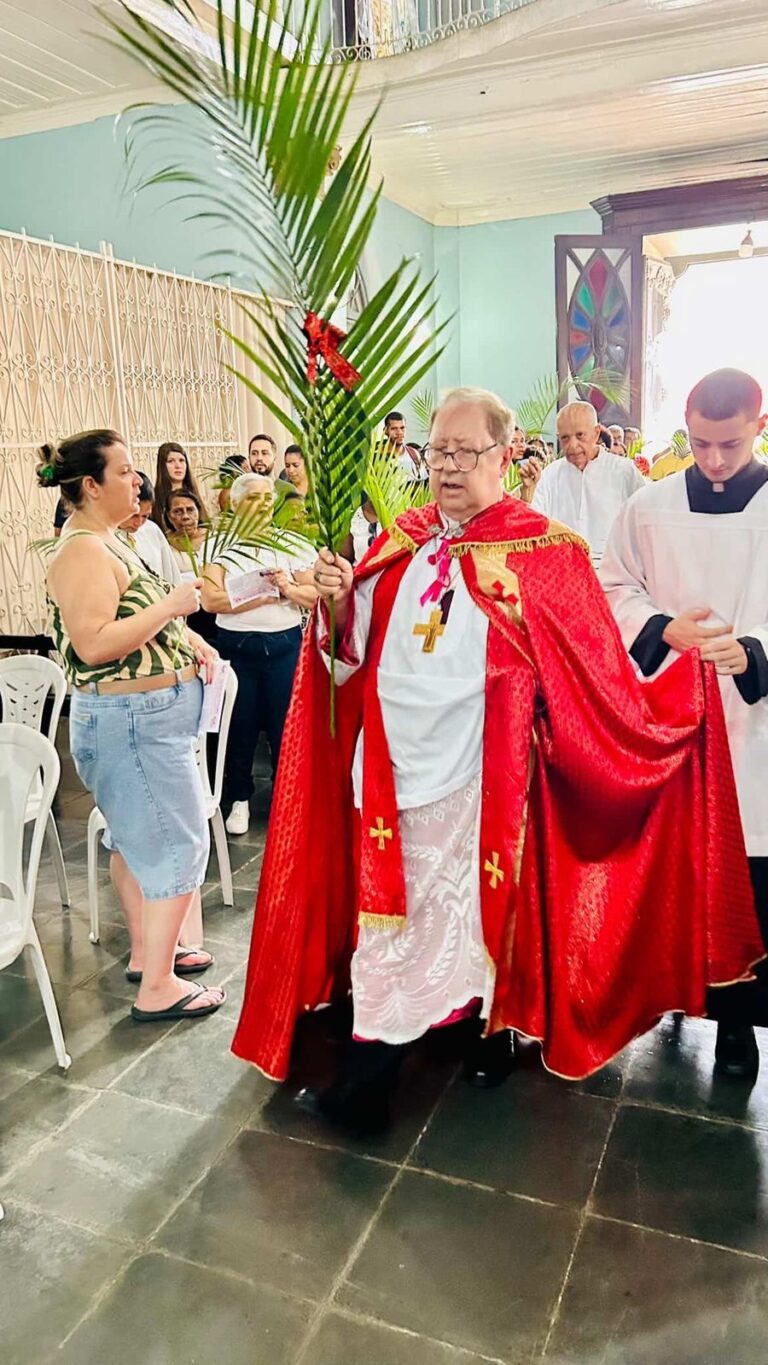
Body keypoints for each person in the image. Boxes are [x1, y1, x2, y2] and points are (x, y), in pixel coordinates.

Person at [231, 386, 761, 1133]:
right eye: (438, 450)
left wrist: (675, 686)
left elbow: (595, 676)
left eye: (465, 452)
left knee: (466, 917)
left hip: (484, 781)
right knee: (399, 919)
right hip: (386, 769)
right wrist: (341, 601)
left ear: (505, 457)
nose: (446, 467)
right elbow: (348, 653)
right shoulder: (401, 540)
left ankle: (397, 1068)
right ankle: (443, 1033)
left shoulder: (546, 553)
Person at [601, 368, 768, 1078]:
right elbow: (612, 584)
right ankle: (671, 996)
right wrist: (664, 628)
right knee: (673, 867)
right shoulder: (650, 506)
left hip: (755, 731)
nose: (715, 460)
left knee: (747, 880)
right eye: (701, 443)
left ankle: (737, 1023)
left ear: (759, 425)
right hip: (670, 719)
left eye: (729, 444)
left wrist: (756, 648)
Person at [39, 430, 225, 1022]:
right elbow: (93, 645)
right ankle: (159, 987)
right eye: (123, 472)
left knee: (136, 840)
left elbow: (133, 620)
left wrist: (185, 637)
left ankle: (152, 955)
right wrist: (173, 606)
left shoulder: (110, 541)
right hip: (132, 724)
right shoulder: (81, 552)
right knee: (179, 845)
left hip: (147, 721)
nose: (138, 481)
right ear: (90, 486)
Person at [200, 473, 317, 836]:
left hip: (283, 645)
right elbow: (210, 600)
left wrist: (286, 587)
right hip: (238, 648)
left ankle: (288, 801)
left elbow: (315, 593)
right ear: (235, 505)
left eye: (268, 499)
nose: (264, 505)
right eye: (254, 499)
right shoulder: (220, 547)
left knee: (286, 727)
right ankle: (239, 798)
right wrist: (261, 594)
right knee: (241, 727)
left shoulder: (290, 543)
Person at [529, 401, 646, 567]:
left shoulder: (624, 471)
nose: (573, 445)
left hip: (613, 572)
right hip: (564, 571)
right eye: (565, 438)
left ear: (596, 433)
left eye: (580, 435)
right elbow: (536, 523)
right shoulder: (550, 475)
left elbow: (644, 520)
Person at [164, 489, 217, 643]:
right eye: (178, 512)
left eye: (190, 510)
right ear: (168, 516)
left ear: (198, 513)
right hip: (187, 613)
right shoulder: (165, 544)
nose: (185, 516)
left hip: (215, 608)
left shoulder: (214, 538)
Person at [120, 473, 181, 585]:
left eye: (145, 516)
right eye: (134, 515)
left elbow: (172, 577)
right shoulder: (103, 537)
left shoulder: (151, 530)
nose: (138, 523)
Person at [152, 441, 206, 531]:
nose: (178, 466)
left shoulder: (194, 494)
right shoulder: (155, 499)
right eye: (171, 461)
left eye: (181, 460)